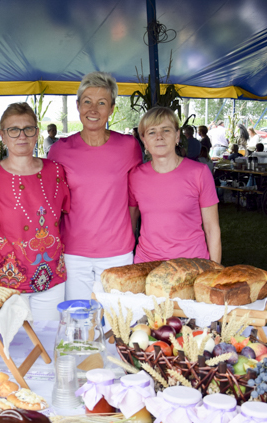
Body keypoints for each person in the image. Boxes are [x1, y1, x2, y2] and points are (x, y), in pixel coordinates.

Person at [47, 71, 142, 300]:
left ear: (111, 109)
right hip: (73, 253)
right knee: (79, 322)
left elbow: (134, 198)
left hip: (117, 252)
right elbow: (52, 200)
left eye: (102, 103)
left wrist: (129, 234)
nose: (93, 110)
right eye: (87, 102)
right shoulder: (59, 150)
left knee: (116, 324)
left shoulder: (128, 146)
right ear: (78, 105)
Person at [0, 103, 70, 320]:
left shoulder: (56, 171)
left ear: (37, 133)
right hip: (7, 282)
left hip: (50, 278)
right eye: (13, 130)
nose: (22, 135)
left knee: (48, 343)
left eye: (28, 129)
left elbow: (65, 221)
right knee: (12, 348)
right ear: (3, 135)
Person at [129, 107, 221, 265]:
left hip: (192, 265)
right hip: (147, 264)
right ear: (144, 140)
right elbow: (130, 224)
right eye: (152, 132)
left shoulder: (199, 172)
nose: (159, 137)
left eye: (166, 130)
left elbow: (212, 229)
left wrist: (215, 272)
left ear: (177, 136)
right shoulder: (135, 176)